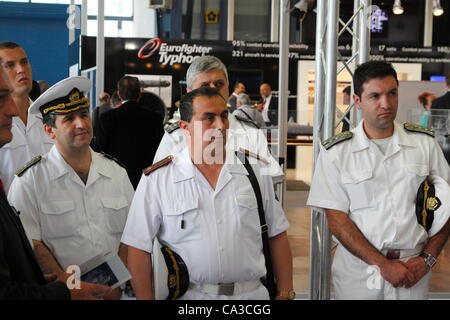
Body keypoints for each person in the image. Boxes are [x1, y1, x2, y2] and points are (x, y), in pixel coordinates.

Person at [121, 87, 293, 300]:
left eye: (224, 116)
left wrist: (285, 292)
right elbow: (138, 247)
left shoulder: (255, 170)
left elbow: (277, 233)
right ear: (185, 127)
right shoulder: (158, 179)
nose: (220, 126)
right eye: (209, 118)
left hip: (251, 296)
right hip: (191, 297)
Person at [307, 61, 450, 300]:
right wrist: (382, 264)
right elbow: (337, 220)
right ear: (357, 100)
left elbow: (446, 208)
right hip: (359, 273)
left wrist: (428, 259)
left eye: (392, 93)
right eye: (375, 96)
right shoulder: (337, 152)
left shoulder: (423, 143)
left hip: (413, 269)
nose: (386, 103)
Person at [7, 76, 135, 300]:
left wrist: (119, 285)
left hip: (116, 294)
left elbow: (132, 236)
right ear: (49, 131)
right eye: (69, 119)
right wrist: (71, 292)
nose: (81, 124)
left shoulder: (117, 173)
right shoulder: (29, 181)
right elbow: (32, 246)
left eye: (84, 114)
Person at [153, 56, 283, 183]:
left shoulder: (250, 132)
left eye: (219, 84)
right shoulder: (175, 136)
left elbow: (269, 184)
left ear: (228, 88)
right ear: (189, 93)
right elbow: (159, 184)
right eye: (205, 85)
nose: (213, 89)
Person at [0, 41, 53, 193]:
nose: (21, 69)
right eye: (10, 65)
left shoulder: (50, 118)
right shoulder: (2, 124)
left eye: (24, 62)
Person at [96, 76, 164, 189]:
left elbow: (100, 150)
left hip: (115, 180)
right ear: (140, 93)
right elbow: (161, 151)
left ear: (118, 94)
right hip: (146, 180)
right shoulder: (155, 118)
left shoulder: (106, 118)